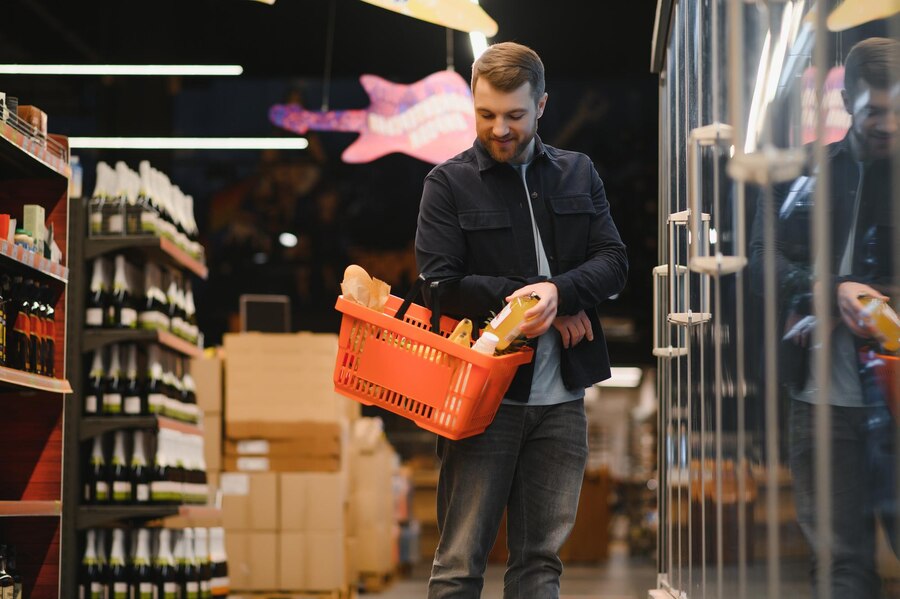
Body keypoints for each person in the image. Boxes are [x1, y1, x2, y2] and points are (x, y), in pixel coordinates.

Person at [414, 42, 628, 598]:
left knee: (539, 566)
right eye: (486, 115)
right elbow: (439, 287)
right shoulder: (447, 183)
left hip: (561, 403)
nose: (499, 129)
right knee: (460, 564)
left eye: (513, 115)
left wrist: (559, 292)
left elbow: (614, 262)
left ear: (541, 106)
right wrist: (534, 304)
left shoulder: (578, 173)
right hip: (483, 400)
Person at [749, 36, 899, 598]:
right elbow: (759, 261)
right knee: (839, 563)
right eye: (875, 112)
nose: (888, 124)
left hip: (896, 394)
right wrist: (826, 290)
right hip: (819, 402)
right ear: (850, 102)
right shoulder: (801, 173)